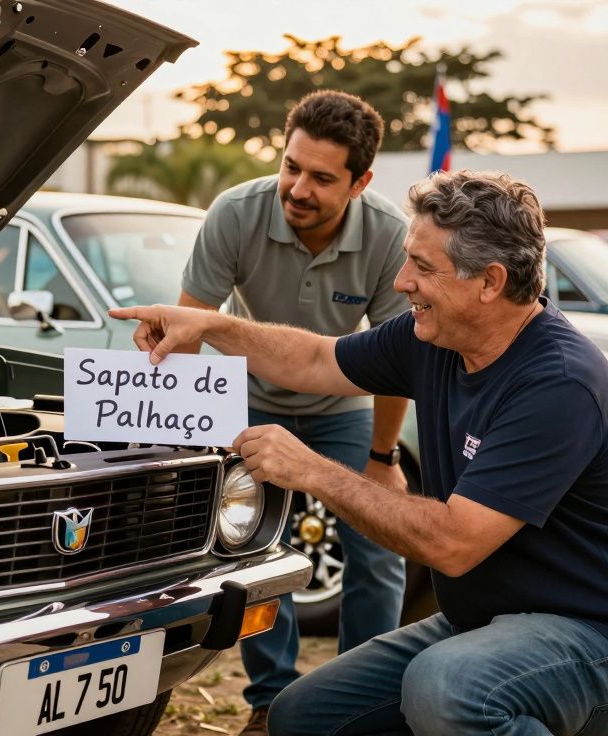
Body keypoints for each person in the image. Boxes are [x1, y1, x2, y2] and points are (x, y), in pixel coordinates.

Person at [113, 170, 608, 736]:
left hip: (602, 638)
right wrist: (210, 326)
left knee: (446, 688)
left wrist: (311, 470)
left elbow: (452, 544)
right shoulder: (430, 338)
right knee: (302, 717)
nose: (403, 281)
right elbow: (313, 359)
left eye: (424, 267)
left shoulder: (558, 382)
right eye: (409, 259)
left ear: (490, 281)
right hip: (483, 622)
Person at [175, 89, 411, 736]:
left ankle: (364, 700)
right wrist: (201, 432)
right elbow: (192, 327)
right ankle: (270, 701)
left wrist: (382, 459)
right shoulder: (236, 213)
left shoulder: (391, 235)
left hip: (344, 406)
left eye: (321, 177)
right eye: (290, 166)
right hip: (250, 399)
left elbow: (397, 363)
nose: (297, 188)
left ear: (361, 181)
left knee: (379, 545)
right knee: (253, 546)